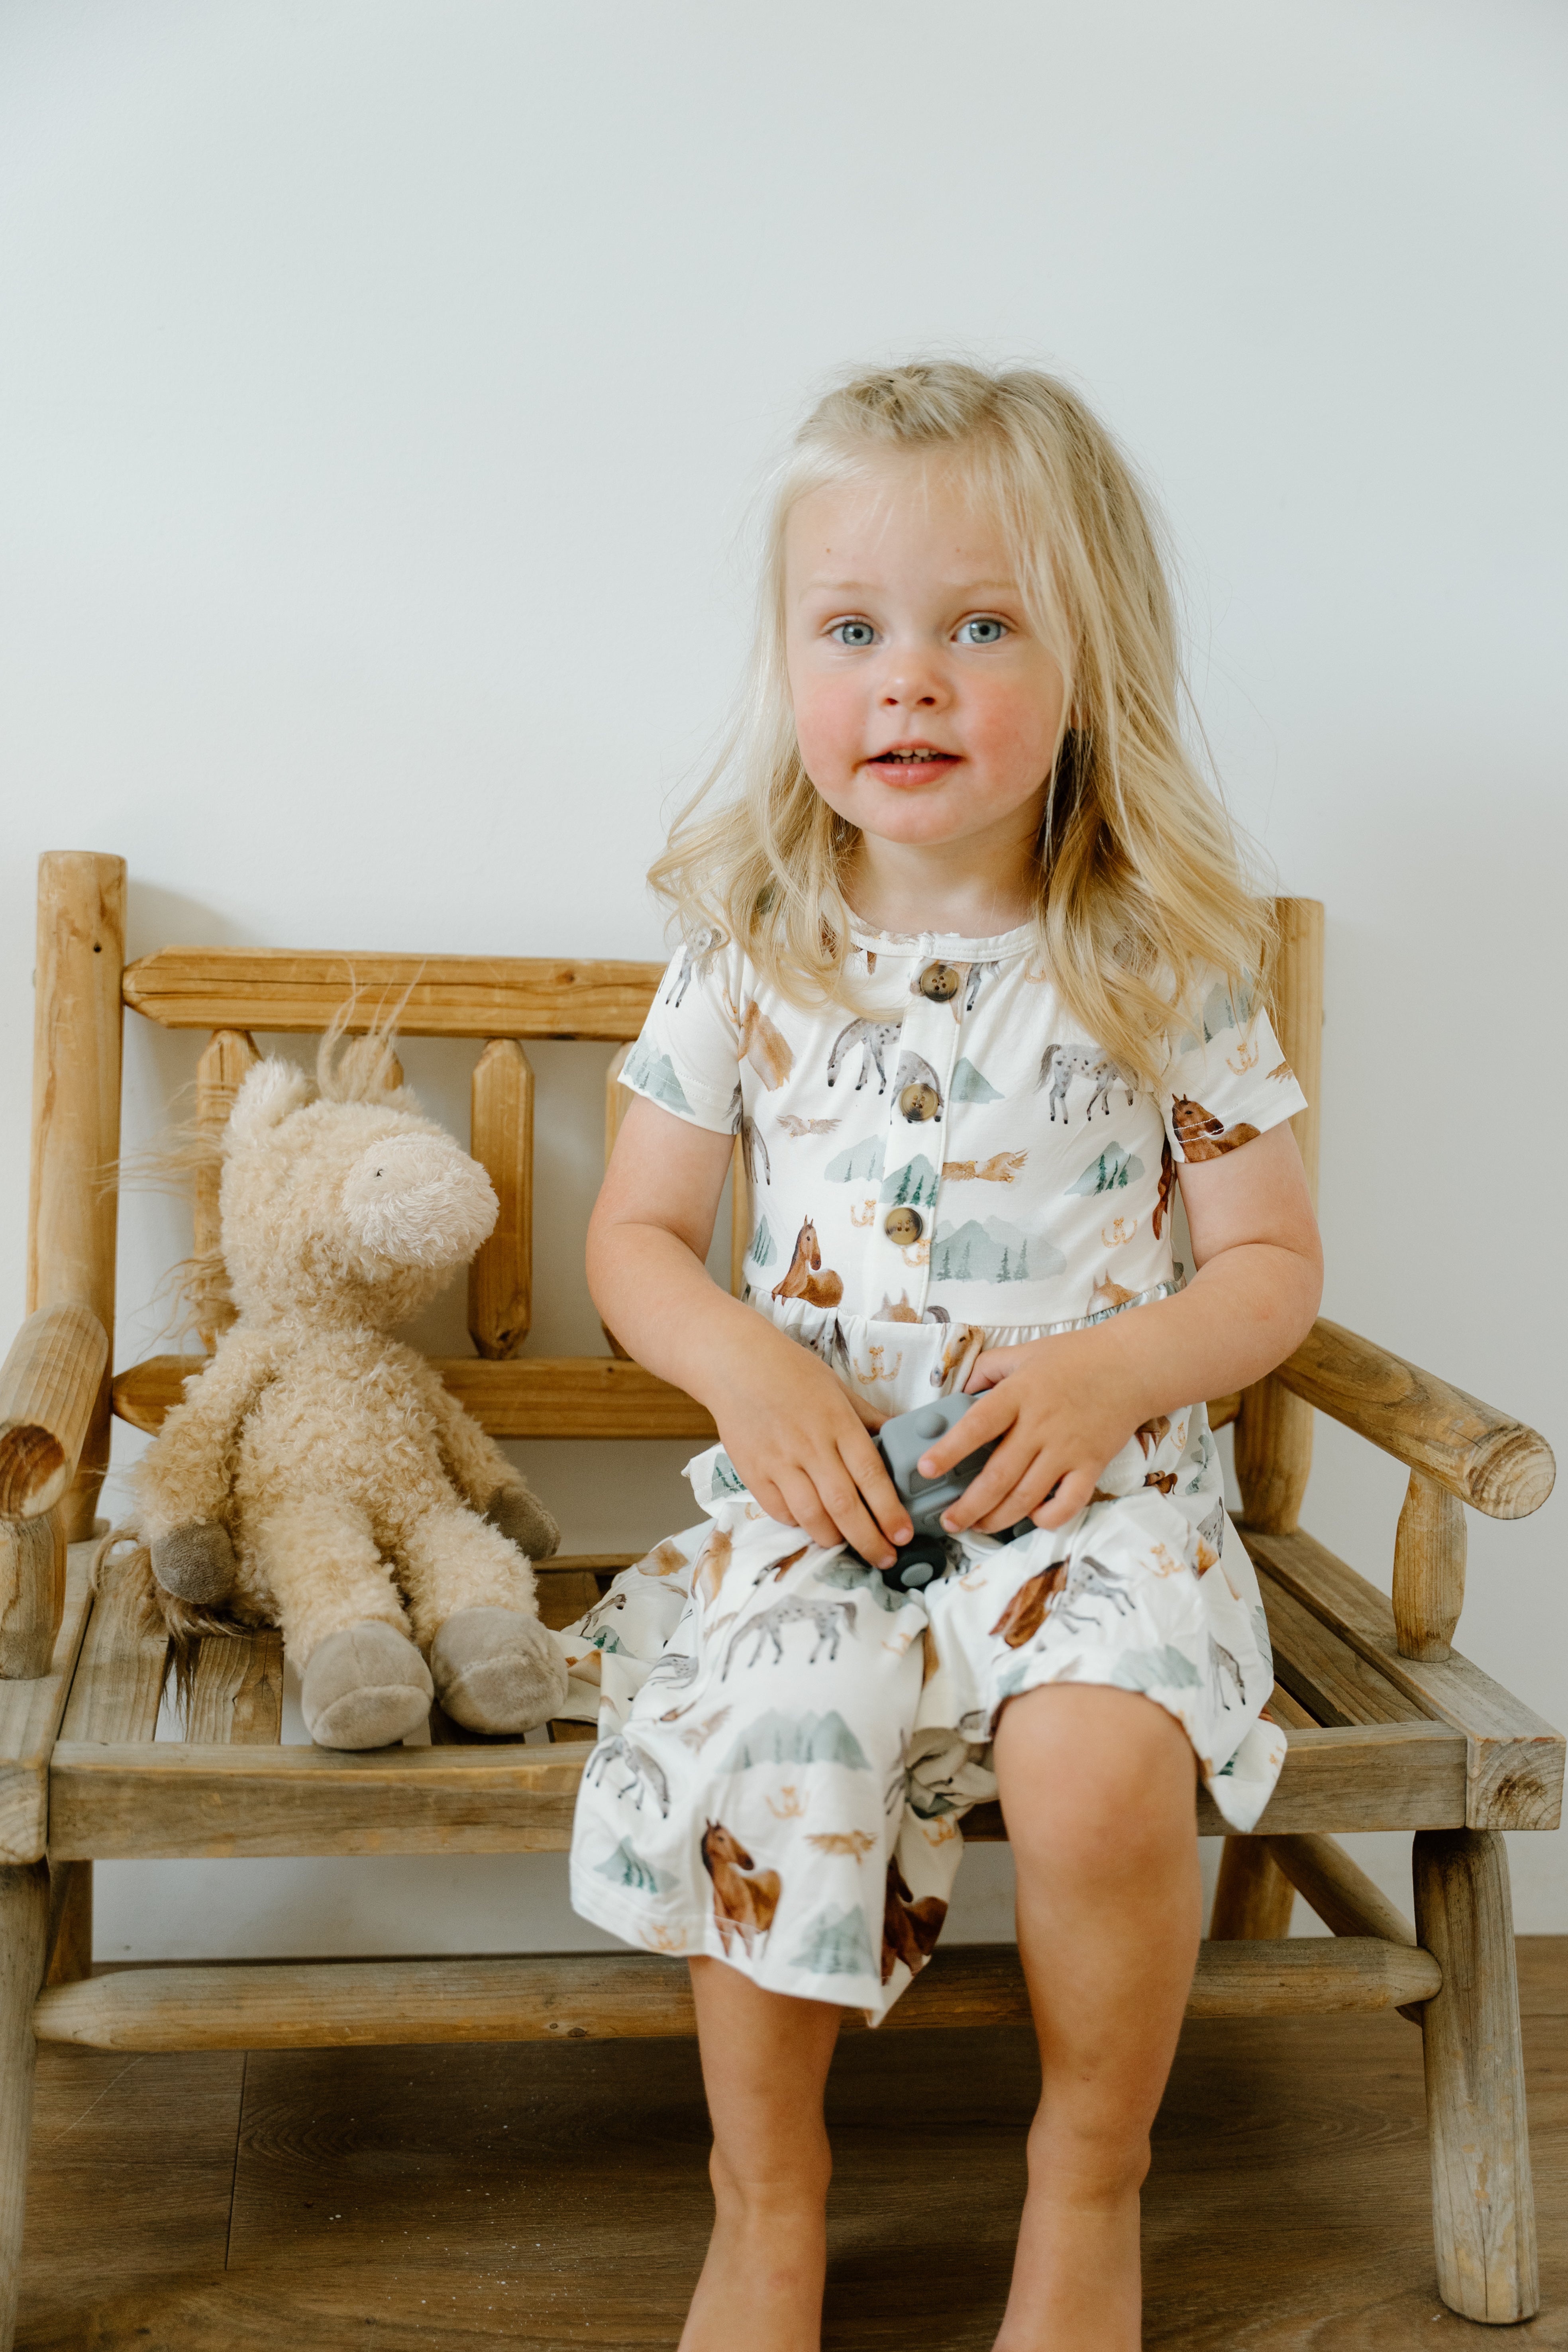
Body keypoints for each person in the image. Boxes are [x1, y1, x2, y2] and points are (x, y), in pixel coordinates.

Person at [561, 360, 1323, 2352]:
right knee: (775, 1723)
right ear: (791, 661)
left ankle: (1090, 2183)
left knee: (1094, 1768)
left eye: (981, 626)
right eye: (853, 630)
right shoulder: (748, 942)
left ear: (1091, 663)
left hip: (1096, 1495)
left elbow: (1269, 1270)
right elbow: (634, 1239)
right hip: (833, 1488)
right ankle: (765, 2205)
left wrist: (1113, 1374)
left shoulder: (1162, 952)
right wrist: (750, 1371)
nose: (909, 680)